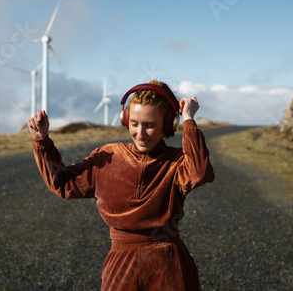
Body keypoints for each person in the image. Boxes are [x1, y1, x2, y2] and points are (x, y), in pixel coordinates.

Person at [27, 79, 215, 291]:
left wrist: (189, 120)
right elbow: (63, 183)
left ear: (169, 123)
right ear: (125, 120)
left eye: (150, 125)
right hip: (121, 266)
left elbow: (200, 172)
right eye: (134, 124)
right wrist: (42, 141)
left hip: (169, 265)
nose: (140, 134)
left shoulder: (177, 161)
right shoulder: (107, 156)